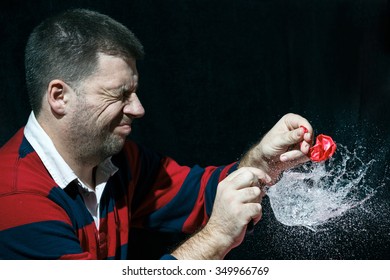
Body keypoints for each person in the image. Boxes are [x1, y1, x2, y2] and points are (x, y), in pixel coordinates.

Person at [0, 9, 313, 260]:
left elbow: (203, 197)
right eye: (119, 94)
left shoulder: (118, 160)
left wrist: (262, 160)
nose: (137, 109)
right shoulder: (14, 198)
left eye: (134, 92)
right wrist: (216, 238)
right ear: (59, 96)